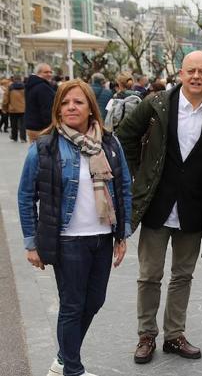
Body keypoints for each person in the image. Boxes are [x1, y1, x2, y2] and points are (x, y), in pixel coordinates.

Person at [116, 51, 202, 365]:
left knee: (183, 275)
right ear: (181, 74)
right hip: (157, 204)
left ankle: (174, 335)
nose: (196, 77)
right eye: (190, 71)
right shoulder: (156, 105)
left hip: (195, 208)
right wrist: (138, 175)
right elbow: (124, 136)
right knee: (149, 275)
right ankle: (146, 335)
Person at [17, 79, 132, 376]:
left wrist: (122, 235)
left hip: (102, 237)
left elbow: (124, 188)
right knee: (71, 305)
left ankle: (62, 359)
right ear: (58, 109)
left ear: (90, 108)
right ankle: (73, 370)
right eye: (65, 103)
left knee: (94, 301)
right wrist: (31, 244)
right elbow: (26, 195)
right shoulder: (45, 147)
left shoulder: (109, 143)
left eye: (78, 102)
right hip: (68, 241)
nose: (71, 107)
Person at [24, 63, 56, 143]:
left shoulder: (30, 85)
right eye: (45, 72)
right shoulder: (43, 87)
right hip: (41, 128)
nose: (49, 74)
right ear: (38, 73)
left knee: (34, 153)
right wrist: (51, 128)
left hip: (31, 127)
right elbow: (47, 109)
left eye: (50, 72)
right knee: (44, 154)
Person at [2, 75, 26, 142]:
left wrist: (4, 107)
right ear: (21, 79)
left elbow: (6, 99)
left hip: (13, 109)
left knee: (13, 124)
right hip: (23, 108)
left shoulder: (10, 87)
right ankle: (23, 138)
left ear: (14, 79)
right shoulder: (25, 87)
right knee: (23, 124)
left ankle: (14, 137)